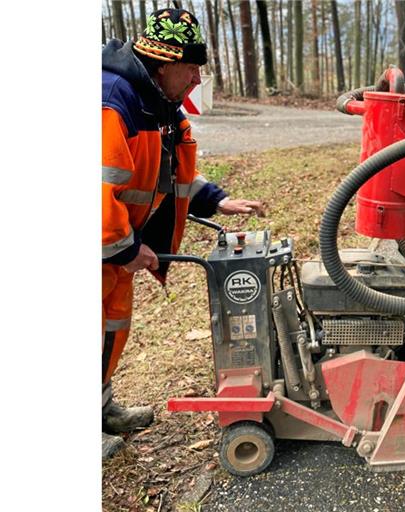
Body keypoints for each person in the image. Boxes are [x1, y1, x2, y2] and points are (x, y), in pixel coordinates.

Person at [102, 8, 264, 459]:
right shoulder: (111, 99)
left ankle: (99, 408)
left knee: (110, 328)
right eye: (191, 69)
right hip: (104, 242)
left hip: (111, 251)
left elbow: (167, 173)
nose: (197, 79)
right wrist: (126, 248)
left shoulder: (162, 107)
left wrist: (215, 199)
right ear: (162, 64)